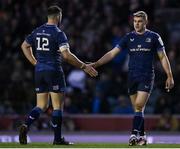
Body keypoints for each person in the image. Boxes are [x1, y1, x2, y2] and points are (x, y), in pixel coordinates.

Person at [90, 11, 174, 146]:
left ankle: (133, 134)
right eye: (135, 21)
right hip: (131, 76)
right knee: (137, 109)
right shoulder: (128, 37)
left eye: (139, 21)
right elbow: (112, 53)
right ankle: (142, 136)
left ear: (145, 22)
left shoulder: (154, 37)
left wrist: (169, 76)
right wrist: (96, 63)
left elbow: (163, 57)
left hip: (146, 76)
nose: (136, 24)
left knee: (139, 105)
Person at [19, 5, 98, 145]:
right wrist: (84, 66)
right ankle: (57, 139)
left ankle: (26, 124)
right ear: (58, 17)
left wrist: (34, 62)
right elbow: (66, 56)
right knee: (57, 107)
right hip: (53, 71)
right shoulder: (58, 33)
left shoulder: (37, 31)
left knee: (41, 105)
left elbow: (24, 45)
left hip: (39, 71)